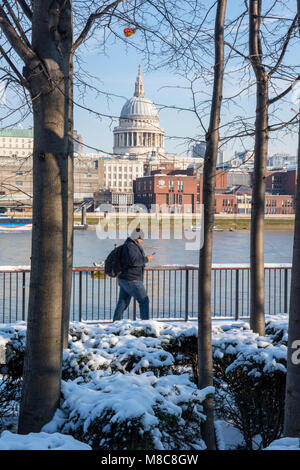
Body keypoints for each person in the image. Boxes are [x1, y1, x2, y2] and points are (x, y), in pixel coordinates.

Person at [113, 228, 153, 321]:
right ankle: (145, 324)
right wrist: (147, 259)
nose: (142, 240)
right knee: (144, 301)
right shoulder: (131, 247)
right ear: (137, 237)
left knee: (123, 302)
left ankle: (115, 323)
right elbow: (134, 261)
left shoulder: (127, 245)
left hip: (124, 278)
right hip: (132, 279)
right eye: (141, 238)